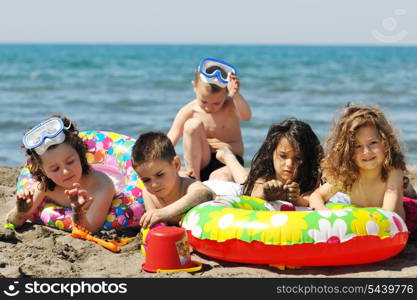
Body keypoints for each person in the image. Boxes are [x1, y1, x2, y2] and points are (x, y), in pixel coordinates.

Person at [309, 104, 417, 237]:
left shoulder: (392, 171)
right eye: (357, 146)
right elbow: (317, 196)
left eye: (373, 143)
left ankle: (408, 190)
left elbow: (388, 214)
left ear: (386, 142)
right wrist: (324, 212)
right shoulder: (349, 173)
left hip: (398, 221)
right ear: (347, 151)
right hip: (367, 220)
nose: (366, 152)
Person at [6, 115, 115, 233]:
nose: (65, 172)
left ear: (80, 154)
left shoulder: (102, 185)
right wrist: (20, 211)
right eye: (55, 169)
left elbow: (90, 229)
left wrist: (77, 211)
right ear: (43, 171)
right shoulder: (45, 187)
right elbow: (12, 222)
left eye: (70, 162)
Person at [167, 58, 252, 181]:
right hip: (201, 163)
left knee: (218, 177)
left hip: (229, 160)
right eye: (204, 101)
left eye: (216, 103)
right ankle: (194, 179)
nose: (209, 107)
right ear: (194, 87)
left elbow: (246, 117)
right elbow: (169, 140)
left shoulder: (231, 106)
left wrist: (236, 96)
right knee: (192, 125)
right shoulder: (189, 111)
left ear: (226, 93)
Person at [215, 118, 323, 206]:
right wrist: (265, 193)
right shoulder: (266, 170)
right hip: (254, 178)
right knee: (244, 179)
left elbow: (310, 200)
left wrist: (295, 198)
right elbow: (253, 193)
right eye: (283, 156)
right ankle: (227, 155)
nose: (289, 164)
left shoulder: (311, 175)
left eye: (298, 159)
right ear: (272, 153)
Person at [131, 131, 216, 228]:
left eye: (160, 175)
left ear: (176, 164)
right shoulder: (149, 194)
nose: (154, 184)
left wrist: (165, 212)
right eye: (146, 180)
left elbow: (205, 194)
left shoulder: (187, 186)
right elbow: (156, 223)